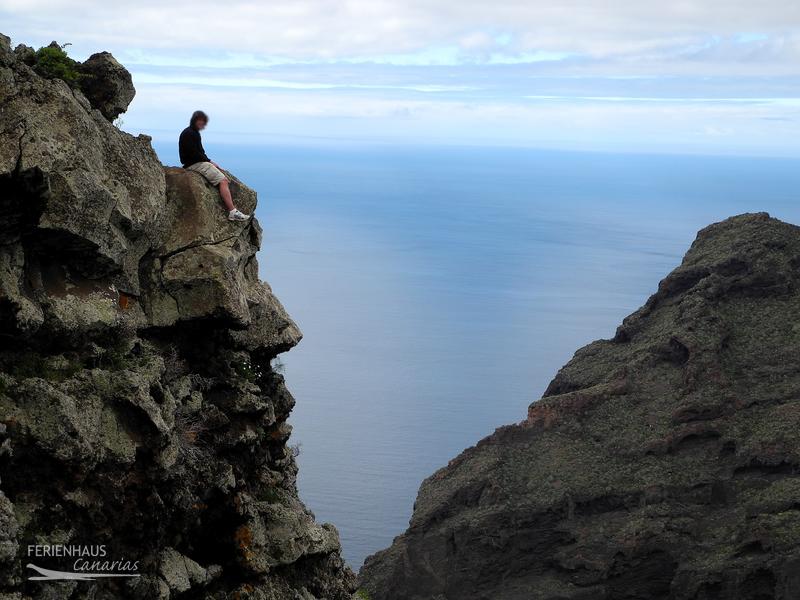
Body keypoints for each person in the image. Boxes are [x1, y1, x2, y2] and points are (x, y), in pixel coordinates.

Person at [179, 111, 250, 222]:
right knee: (223, 180)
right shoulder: (189, 133)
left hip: (195, 162)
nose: (203, 124)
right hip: (194, 164)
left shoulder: (193, 132)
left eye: (204, 122)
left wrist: (210, 161)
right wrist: (209, 161)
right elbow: (194, 154)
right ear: (195, 120)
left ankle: (233, 211)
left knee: (222, 177)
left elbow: (200, 152)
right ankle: (232, 212)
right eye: (200, 121)